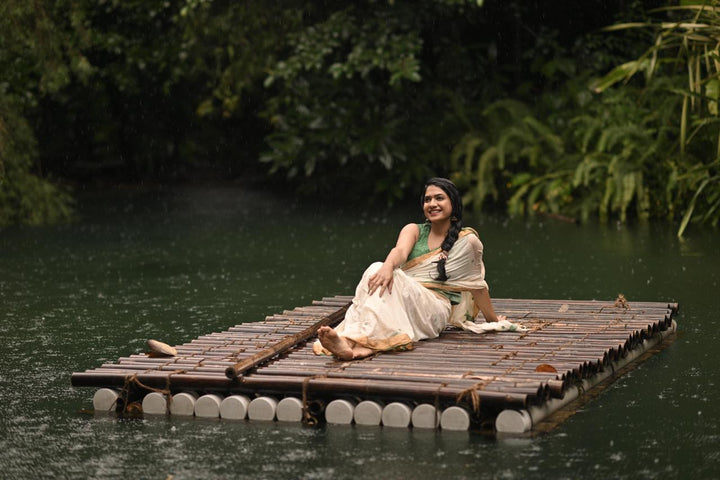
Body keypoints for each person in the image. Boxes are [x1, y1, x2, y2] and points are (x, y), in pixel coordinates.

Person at [314, 177, 515, 361]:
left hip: (434, 309)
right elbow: (400, 250)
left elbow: (477, 286)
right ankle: (353, 347)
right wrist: (388, 265)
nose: (432, 204)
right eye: (427, 200)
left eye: (439, 198)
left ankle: (350, 342)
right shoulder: (413, 230)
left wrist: (494, 321)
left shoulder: (467, 241)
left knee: (389, 276)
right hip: (403, 299)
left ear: (453, 204)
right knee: (378, 269)